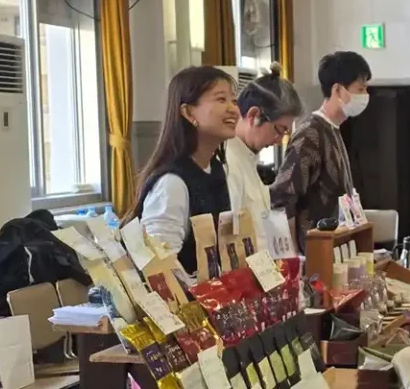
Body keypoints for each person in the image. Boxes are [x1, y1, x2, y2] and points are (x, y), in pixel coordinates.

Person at [130, 66, 238, 274]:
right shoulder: (172, 182)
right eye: (221, 99)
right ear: (188, 112)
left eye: (233, 100)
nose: (234, 109)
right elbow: (160, 267)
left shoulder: (215, 168)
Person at [271, 51, 372, 250]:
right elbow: (283, 198)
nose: (365, 95)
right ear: (337, 89)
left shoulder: (333, 129)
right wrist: (292, 257)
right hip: (313, 253)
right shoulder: (311, 133)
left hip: (335, 247)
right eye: (360, 89)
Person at [226, 63, 304, 257]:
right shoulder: (228, 162)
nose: (279, 140)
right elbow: (231, 240)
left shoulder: (249, 159)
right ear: (253, 115)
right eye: (279, 130)